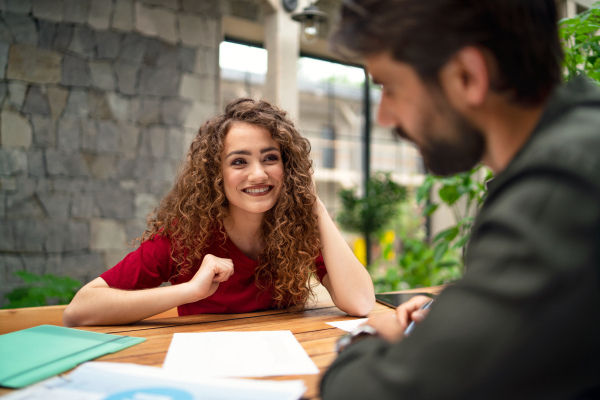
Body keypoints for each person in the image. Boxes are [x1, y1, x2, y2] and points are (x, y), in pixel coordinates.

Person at [320, 0, 600, 398]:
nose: (384, 116)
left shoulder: (561, 186)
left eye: (391, 88)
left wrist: (364, 341)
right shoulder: (575, 144)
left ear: (467, 76)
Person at [63, 98, 375, 327]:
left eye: (270, 158)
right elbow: (80, 309)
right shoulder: (186, 235)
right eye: (239, 162)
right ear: (216, 173)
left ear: (287, 167)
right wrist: (189, 291)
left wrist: (313, 203)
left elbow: (360, 303)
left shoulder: (296, 229)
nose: (258, 174)